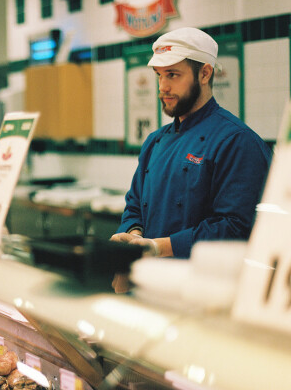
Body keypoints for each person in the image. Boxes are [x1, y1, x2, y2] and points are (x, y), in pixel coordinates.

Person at [111, 27, 272, 293]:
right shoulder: (154, 141)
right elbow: (134, 207)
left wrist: (158, 247)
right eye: (159, 76)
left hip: (205, 295)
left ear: (205, 73)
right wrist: (134, 237)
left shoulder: (237, 141)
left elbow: (236, 228)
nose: (163, 87)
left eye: (173, 75)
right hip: (149, 287)